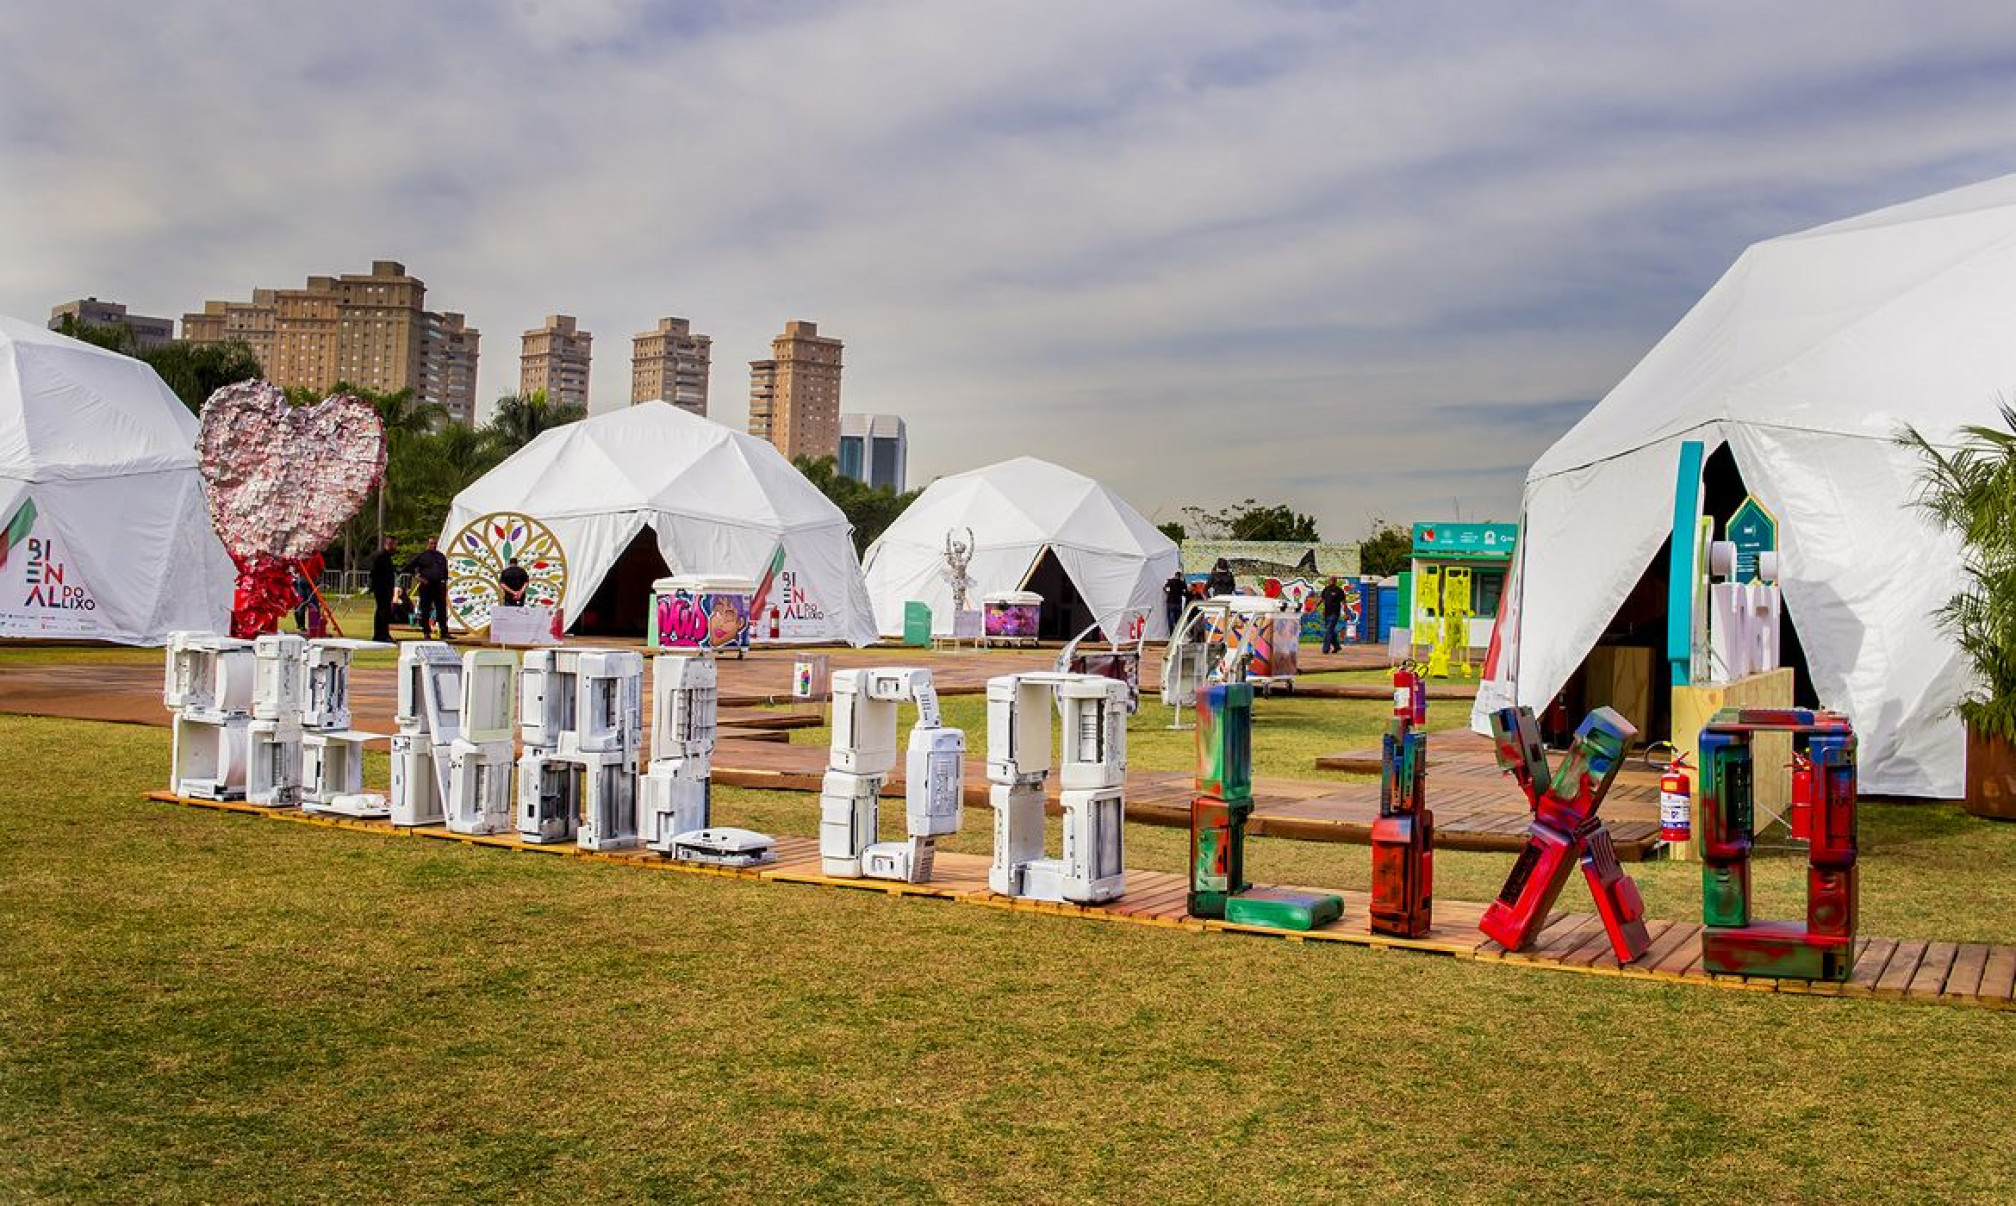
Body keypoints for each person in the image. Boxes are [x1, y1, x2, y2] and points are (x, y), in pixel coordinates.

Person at [407, 537, 450, 641]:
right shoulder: (422, 556)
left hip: (439, 586)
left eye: (435, 543)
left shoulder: (441, 556)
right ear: (427, 544)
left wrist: (444, 583)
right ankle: (426, 632)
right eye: (431, 543)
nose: (433, 545)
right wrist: (418, 577)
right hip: (426, 586)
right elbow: (409, 566)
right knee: (425, 609)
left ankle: (444, 632)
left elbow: (445, 571)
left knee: (441, 609)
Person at [369, 536, 398, 643]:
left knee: (384, 611)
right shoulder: (380, 556)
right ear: (389, 544)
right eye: (394, 544)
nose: (395, 547)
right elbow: (374, 572)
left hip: (387, 588)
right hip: (381, 588)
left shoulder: (387, 557)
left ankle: (382, 634)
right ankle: (381, 635)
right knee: (382, 611)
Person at [1319, 576, 1349, 654]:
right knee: (1330, 631)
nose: (1331, 581)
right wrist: (1315, 607)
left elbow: (1344, 603)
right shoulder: (1326, 589)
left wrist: (1346, 614)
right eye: (1330, 580)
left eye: (1332, 580)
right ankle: (1337, 646)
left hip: (1334, 613)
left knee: (1328, 630)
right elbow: (1322, 599)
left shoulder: (1339, 591)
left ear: (1335, 581)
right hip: (1327, 613)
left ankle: (1326, 649)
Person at [1162, 569, 1190, 635]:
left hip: (1170, 602)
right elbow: (1185, 591)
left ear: (1175, 575)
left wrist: (1168, 593)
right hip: (1178, 603)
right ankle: (1177, 634)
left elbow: (1164, 588)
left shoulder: (1170, 581)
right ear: (1180, 576)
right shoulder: (1181, 583)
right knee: (1178, 619)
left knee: (1170, 619)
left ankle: (1172, 633)